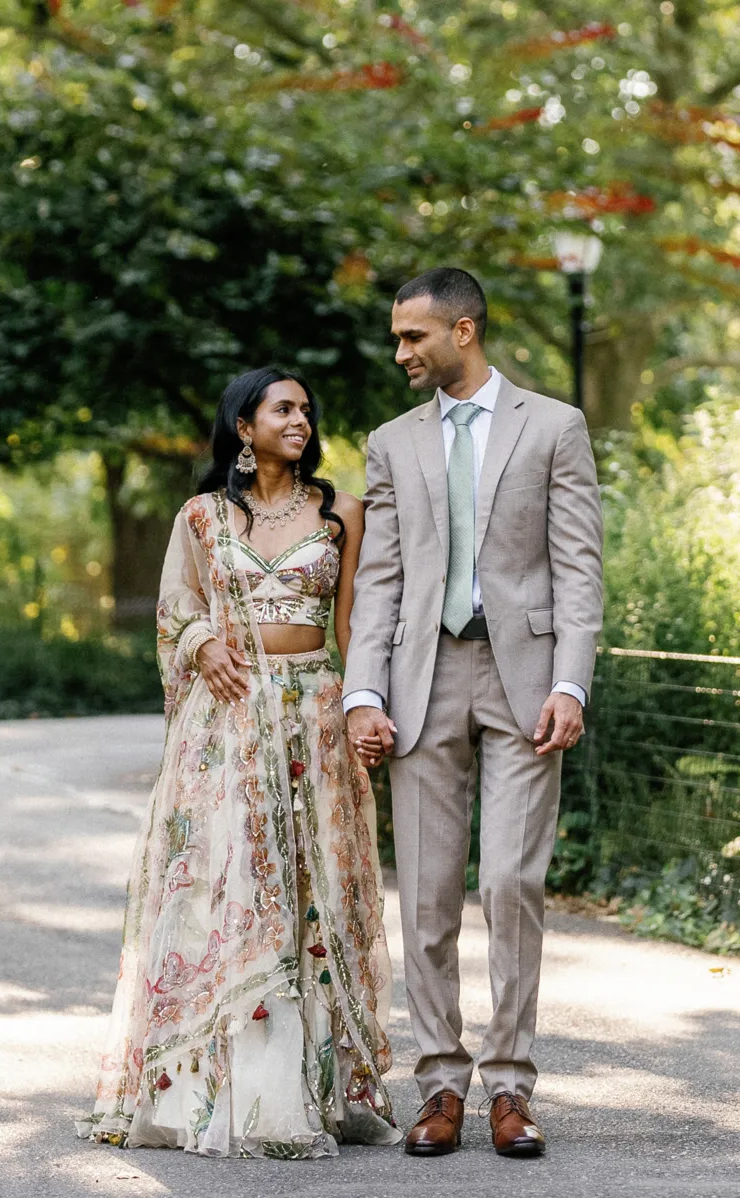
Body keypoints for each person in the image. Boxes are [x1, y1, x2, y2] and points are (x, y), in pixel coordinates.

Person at [76, 366, 400, 1159]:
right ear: (244, 427)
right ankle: (226, 1096)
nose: (301, 417)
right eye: (282, 408)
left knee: (307, 891)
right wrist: (202, 641)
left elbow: (354, 628)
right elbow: (174, 612)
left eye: (305, 409)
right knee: (229, 887)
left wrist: (365, 708)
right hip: (223, 729)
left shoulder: (340, 513)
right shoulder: (201, 517)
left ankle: (311, 1088)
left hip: (314, 721)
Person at [343, 267, 603, 1158]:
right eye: (396, 338)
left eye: (413, 336)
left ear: (464, 330)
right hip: (422, 679)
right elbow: (379, 577)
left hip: (524, 677)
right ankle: (440, 1084)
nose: (401, 352)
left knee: (511, 885)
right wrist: (362, 692)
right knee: (425, 898)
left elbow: (578, 568)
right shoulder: (391, 442)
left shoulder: (555, 426)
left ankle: (512, 1088)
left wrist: (571, 682)